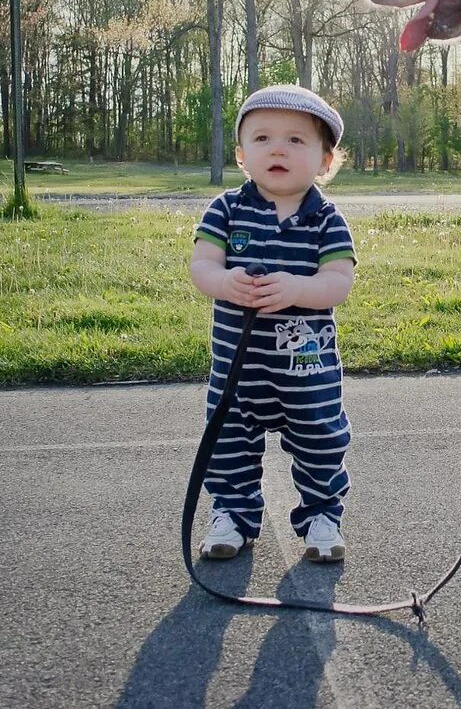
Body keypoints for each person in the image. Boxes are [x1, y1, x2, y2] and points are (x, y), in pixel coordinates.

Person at [189, 84, 356, 562]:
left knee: (321, 441)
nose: (277, 148)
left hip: (307, 371)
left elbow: (339, 281)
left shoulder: (326, 219)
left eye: (296, 140)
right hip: (238, 371)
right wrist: (224, 283)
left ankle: (322, 516)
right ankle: (232, 515)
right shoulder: (225, 209)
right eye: (262, 139)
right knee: (227, 444)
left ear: (326, 161)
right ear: (242, 155)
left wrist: (298, 290)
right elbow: (202, 267)